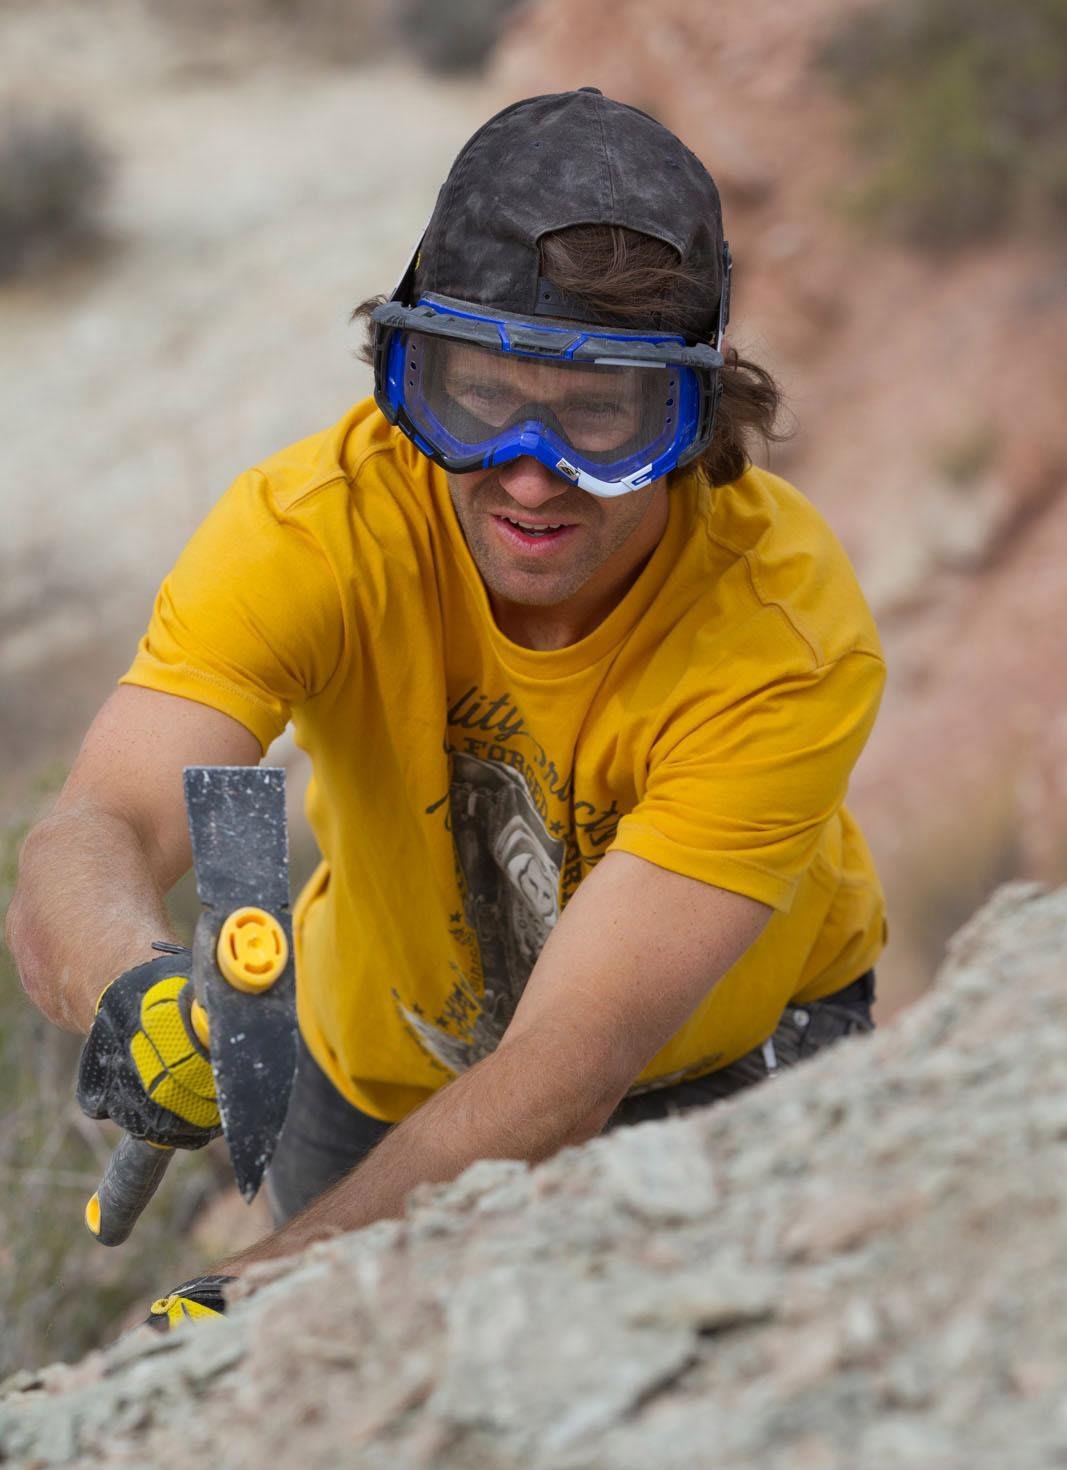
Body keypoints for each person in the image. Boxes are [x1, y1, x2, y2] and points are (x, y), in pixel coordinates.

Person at [5, 89, 886, 1327]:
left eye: (598, 413)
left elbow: (567, 1070)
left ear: (691, 418)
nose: (530, 472)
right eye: (478, 399)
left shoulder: (780, 638)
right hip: (371, 1063)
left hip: (715, 1069)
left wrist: (247, 1299)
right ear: (406, 378)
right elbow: (91, 830)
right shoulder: (315, 527)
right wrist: (128, 986)